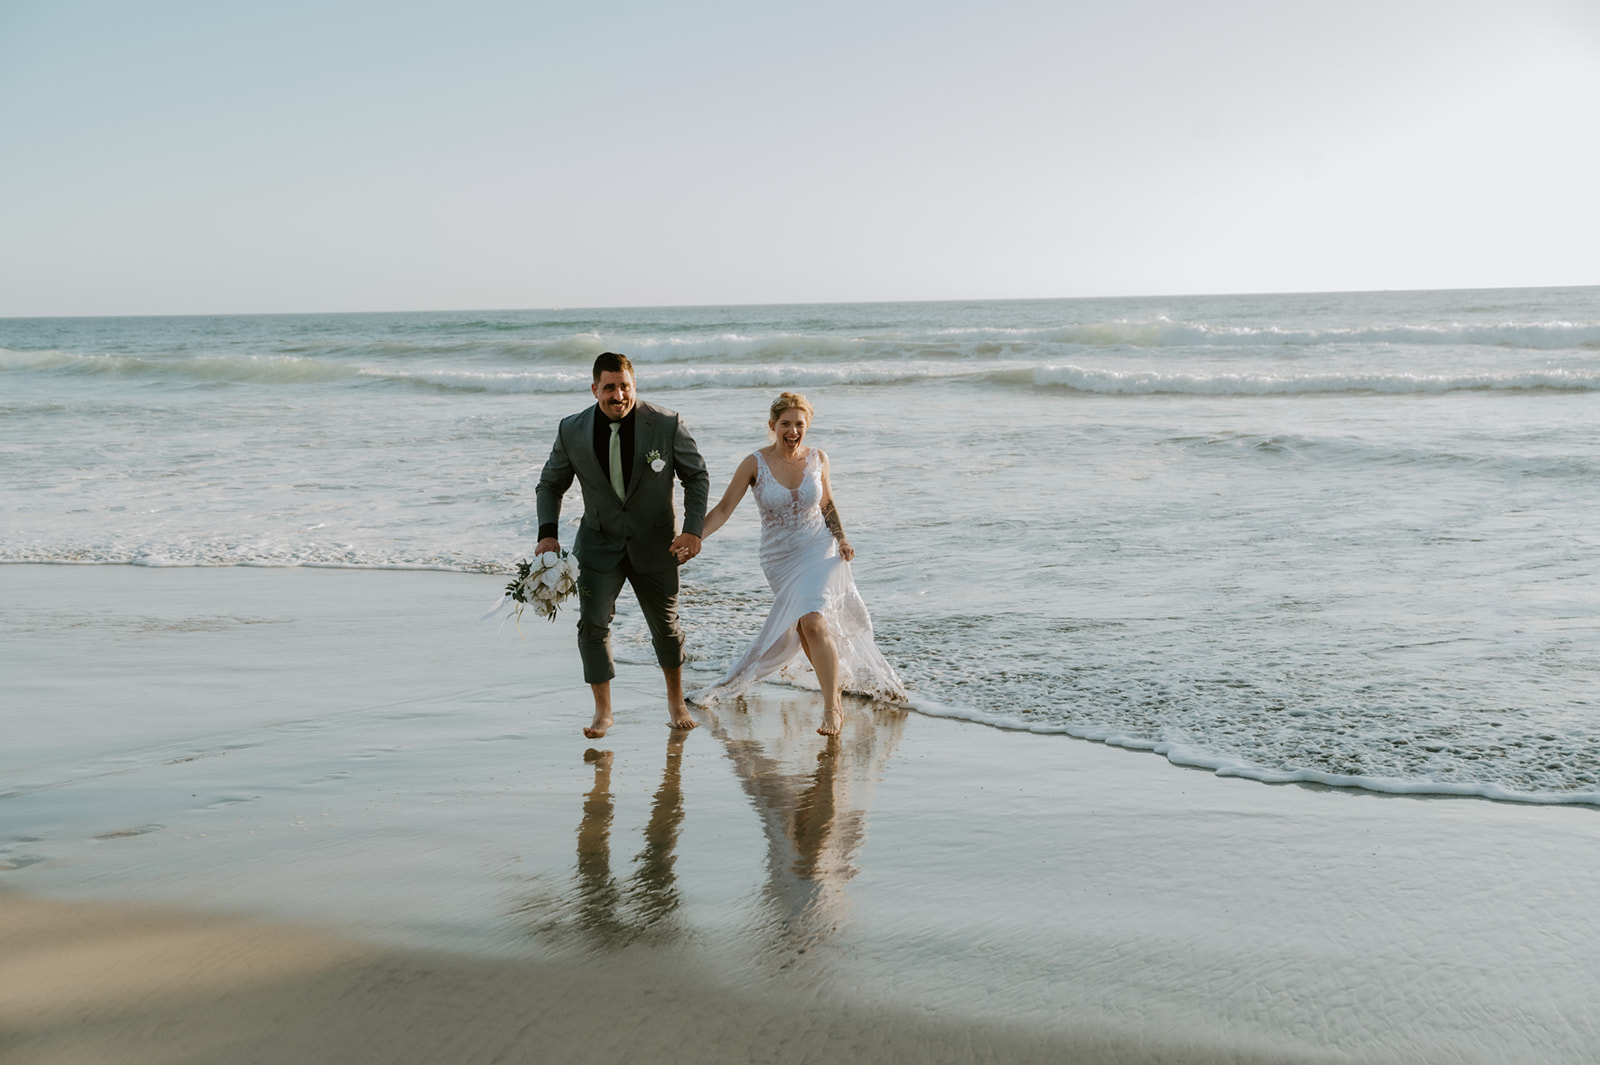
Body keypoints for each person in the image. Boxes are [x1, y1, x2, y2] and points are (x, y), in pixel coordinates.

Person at [688, 392, 905, 735]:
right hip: (780, 559)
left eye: (799, 424)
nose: (792, 431)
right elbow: (724, 509)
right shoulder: (753, 463)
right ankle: (830, 690)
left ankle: (832, 708)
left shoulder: (818, 458)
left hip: (819, 546)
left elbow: (828, 504)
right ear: (773, 426)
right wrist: (693, 536)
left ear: (808, 426)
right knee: (806, 627)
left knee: (814, 622)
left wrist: (843, 538)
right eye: (785, 424)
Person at [535, 352, 709, 738]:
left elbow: (696, 477)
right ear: (594, 388)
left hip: (656, 545)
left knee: (665, 628)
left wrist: (693, 530)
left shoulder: (666, 424)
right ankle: (603, 712)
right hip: (598, 545)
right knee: (592, 625)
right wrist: (547, 533)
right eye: (609, 387)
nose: (618, 395)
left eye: (625, 386)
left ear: (635, 385)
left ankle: (676, 701)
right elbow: (550, 483)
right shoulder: (571, 430)